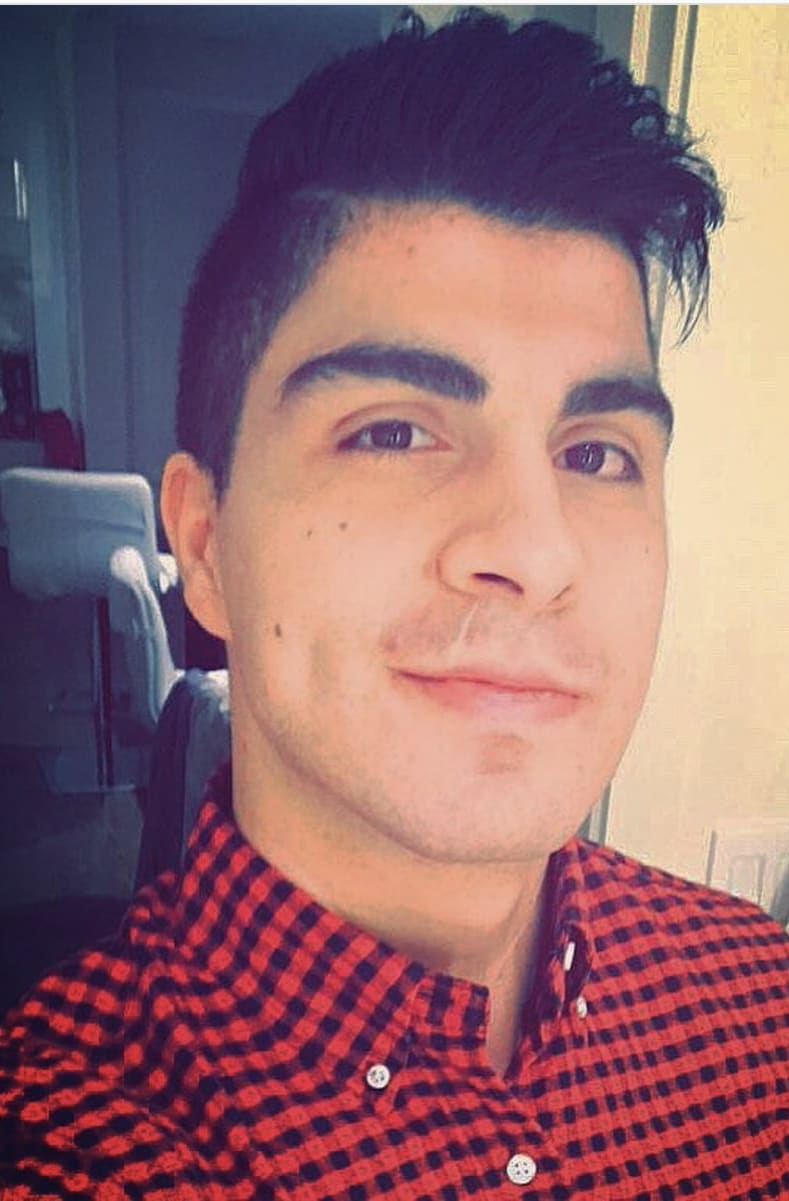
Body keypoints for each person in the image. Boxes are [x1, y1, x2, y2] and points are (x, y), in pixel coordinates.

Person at [1, 11, 787, 1199]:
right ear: (205, 544)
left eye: (597, 453)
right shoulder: (78, 1137)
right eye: (393, 432)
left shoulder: (757, 1003)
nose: (536, 551)